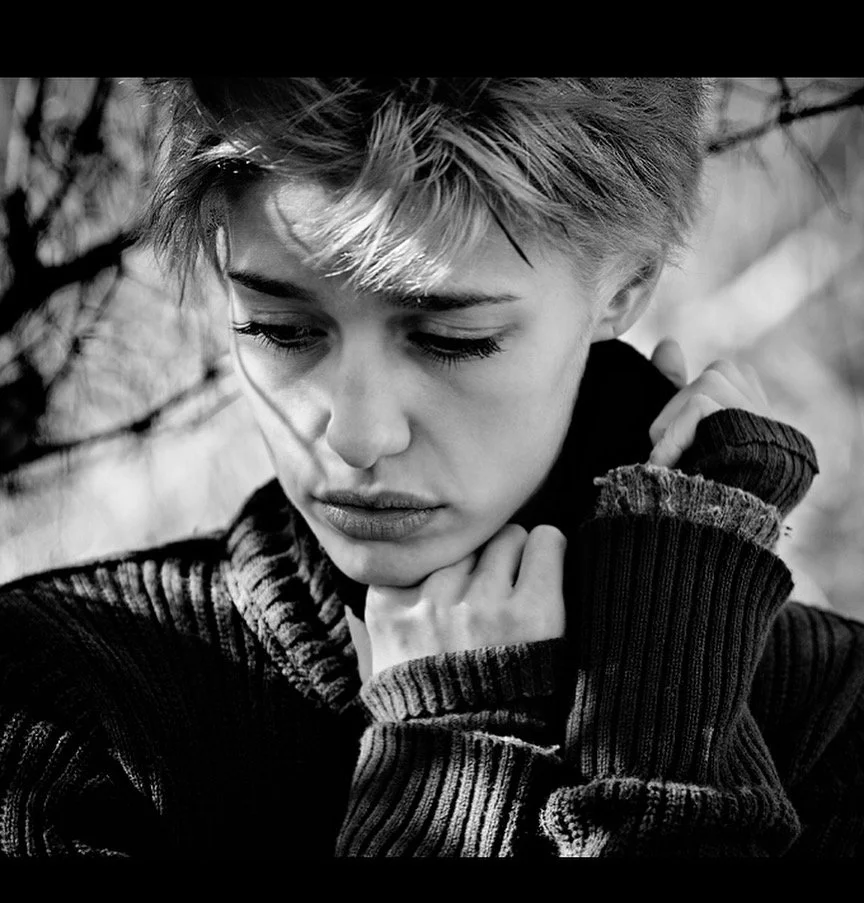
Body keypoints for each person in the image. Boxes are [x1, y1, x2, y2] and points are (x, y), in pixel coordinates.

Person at [0, 77, 860, 859]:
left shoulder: (832, 708)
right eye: (279, 328)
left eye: (454, 339)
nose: (357, 434)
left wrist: (666, 708)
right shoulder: (61, 704)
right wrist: (451, 756)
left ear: (625, 287)